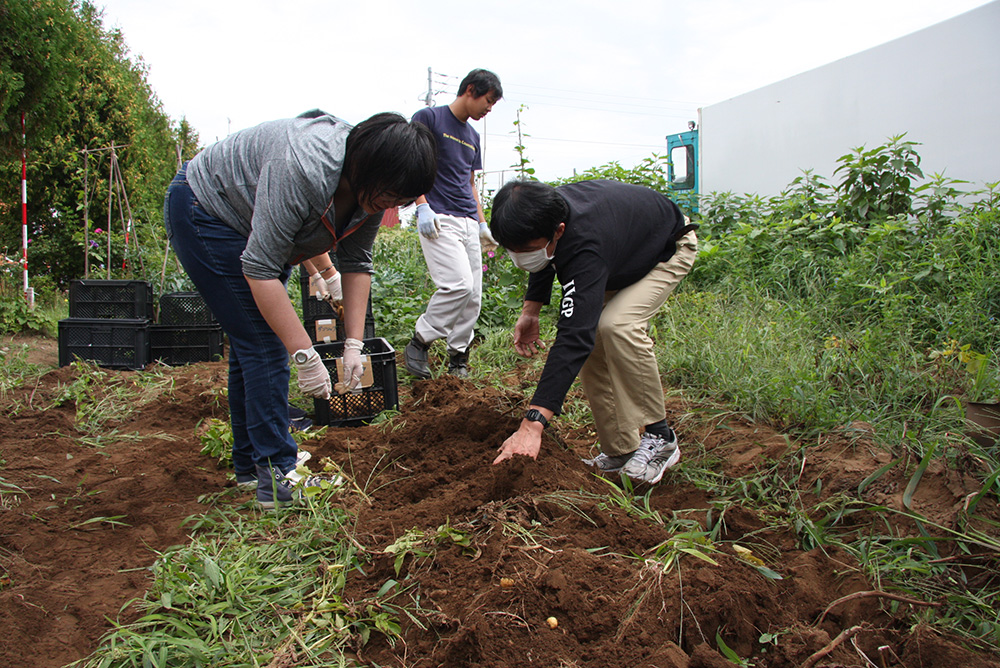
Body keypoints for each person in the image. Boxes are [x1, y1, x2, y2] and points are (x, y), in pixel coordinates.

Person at [163, 110, 436, 508]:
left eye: (400, 200)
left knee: (250, 342)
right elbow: (259, 269)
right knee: (264, 342)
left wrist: (354, 344)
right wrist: (305, 355)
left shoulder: (376, 188)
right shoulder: (304, 168)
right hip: (208, 209)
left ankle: (249, 467)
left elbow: (357, 263)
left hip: (246, 222)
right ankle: (277, 475)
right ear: (363, 166)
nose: (389, 204)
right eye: (387, 195)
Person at [488, 179, 698, 484]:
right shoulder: (543, 214)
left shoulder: (585, 241)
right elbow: (543, 259)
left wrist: (532, 424)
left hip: (664, 248)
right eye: (512, 250)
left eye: (527, 250)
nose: (520, 257)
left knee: (616, 325)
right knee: (595, 337)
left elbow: (573, 337)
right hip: (620, 255)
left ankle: (660, 437)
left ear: (558, 231)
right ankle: (621, 450)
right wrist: (530, 310)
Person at [404, 69, 503, 379]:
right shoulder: (429, 118)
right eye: (488, 101)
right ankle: (420, 341)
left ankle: (458, 356)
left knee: (473, 296)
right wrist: (422, 206)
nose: (489, 109)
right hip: (439, 216)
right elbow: (411, 162)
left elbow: (470, 182)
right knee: (458, 284)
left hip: (468, 221)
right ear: (470, 90)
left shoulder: (472, 136)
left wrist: (482, 222)